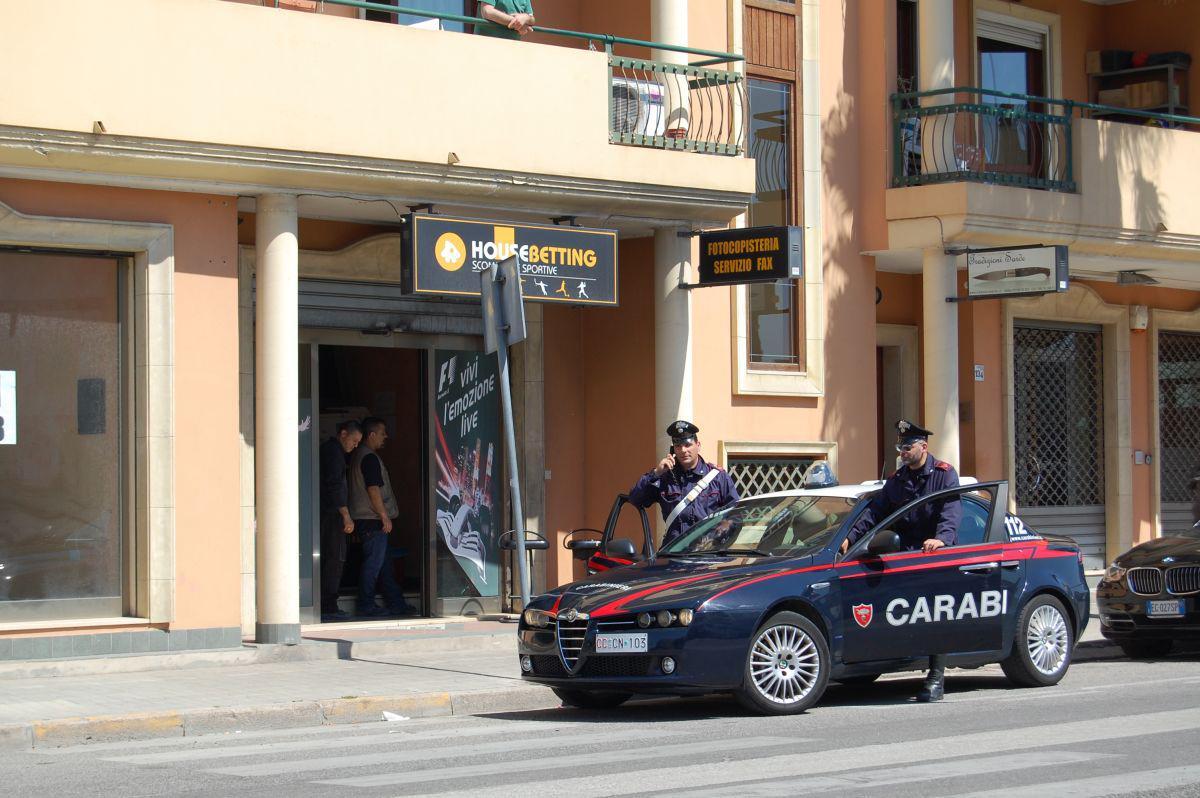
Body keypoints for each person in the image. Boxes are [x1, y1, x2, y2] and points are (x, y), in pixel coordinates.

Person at [843, 419, 962, 703]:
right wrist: (850, 536)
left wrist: (942, 538)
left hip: (935, 555)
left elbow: (951, 509)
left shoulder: (944, 474)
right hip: (905, 556)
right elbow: (875, 512)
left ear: (924, 446)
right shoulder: (898, 480)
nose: (903, 452)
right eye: (900, 447)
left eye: (908, 446)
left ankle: (935, 678)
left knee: (935, 615)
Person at [629, 420, 740, 548]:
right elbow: (635, 499)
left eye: (687, 445)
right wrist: (656, 473)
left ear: (698, 445)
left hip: (707, 554)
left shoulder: (718, 477)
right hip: (673, 555)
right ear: (673, 449)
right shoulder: (664, 478)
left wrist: (718, 536)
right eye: (678, 446)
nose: (683, 450)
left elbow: (736, 515)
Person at [348, 417, 412, 617]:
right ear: (372, 435)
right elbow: (373, 489)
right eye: (383, 433)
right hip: (372, 520)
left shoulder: (361, 455)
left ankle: (396, 603)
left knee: (384, 564)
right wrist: (384, 516)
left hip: (369, 519)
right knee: (374, 564)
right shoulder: (369, 458)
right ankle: (366, 605)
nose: (386, 437)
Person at [319, 420, 362, 621]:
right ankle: (328, 605)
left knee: (332, 557)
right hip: (331, 514)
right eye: (354, 440)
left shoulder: (331, 451)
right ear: (343, 434)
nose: (355, 446)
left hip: (329, 512)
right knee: (335, 557)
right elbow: (334, 485)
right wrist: (346, 515)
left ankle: (327, 603)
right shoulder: (333, 453)